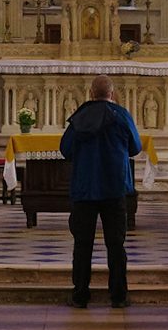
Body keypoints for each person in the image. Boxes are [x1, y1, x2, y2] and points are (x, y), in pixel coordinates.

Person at [58, 75, 141, 309]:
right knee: (116, 244)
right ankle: (118, 296)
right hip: (114, 187)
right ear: (112, 94)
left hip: (85, 188)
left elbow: (65, 149)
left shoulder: (80, 116)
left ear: (91, 93)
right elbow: (135, 147)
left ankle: (80, 295)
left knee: (82, 244)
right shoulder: (122, 115)